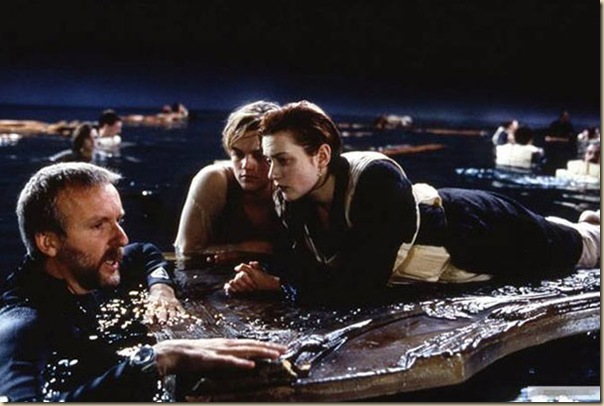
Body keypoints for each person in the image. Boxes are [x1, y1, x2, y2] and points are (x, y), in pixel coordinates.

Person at [223, 101, 600, 305]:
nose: (271, 173)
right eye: (269, 160)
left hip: (482, 229)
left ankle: (589, 227)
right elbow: (306, 266)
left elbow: (361, 287)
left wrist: (277, 285)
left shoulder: (375, 179)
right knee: (563, 234)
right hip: (443, 265)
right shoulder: (289, 198)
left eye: (283, 160)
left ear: (321, 156)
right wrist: (258, 274)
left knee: (579, 249)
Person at [0, 162, 286, 401]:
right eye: (99, 225)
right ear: (49, 243)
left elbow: (144, 252)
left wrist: (161, 289)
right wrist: (153, 361)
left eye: (119, 220)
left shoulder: (85, 270)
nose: (122, 238)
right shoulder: (21, 325)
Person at [174, 101, 284, 263]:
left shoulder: (290, 185)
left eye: (259, 155)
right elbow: (185, 250)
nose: (247, 165)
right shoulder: (214, 180)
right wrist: (245, 248)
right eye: (238, 154)